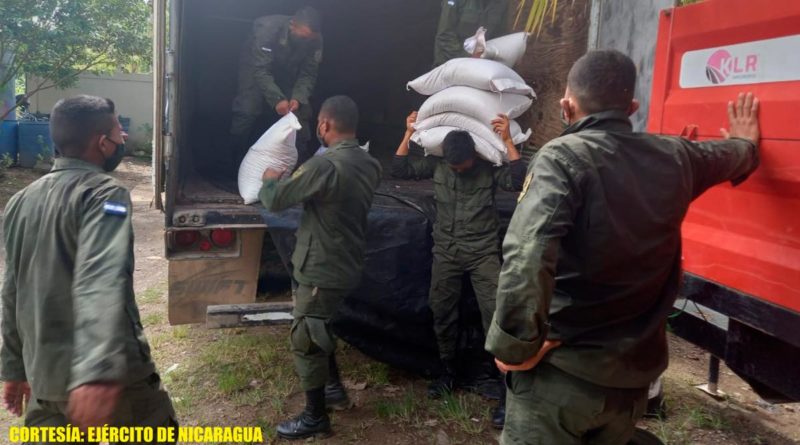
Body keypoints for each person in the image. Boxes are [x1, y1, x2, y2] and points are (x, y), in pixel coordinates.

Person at [486, 49, 760, 444]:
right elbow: (732, 155)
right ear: (631, 106)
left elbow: (528, 251)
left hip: (563, 378)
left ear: (566, 105)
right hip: (631, 382)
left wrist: (515, 344)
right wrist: (747, 144)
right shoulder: (677, 156)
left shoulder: (561, 158)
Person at [1, 95, 176, 439]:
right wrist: (96, 372)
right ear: (102, 142)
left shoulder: (20, 201)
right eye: (118, 130)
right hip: (110, 389)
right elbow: (101, 277)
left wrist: (13, 367)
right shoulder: (105, 195)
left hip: (45, 383)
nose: (123, 137)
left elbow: (11, 288)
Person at [391, 112, 526, 428]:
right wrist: (408, 132)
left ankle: (498, 379)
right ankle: (448, 371)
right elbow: (399, 169)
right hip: (447, 252)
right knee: (442, 310)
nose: (457, 170)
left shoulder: (488, 171)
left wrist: (506, 140)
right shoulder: (440, 166)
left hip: (482, 253)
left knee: (495, 314)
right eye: (454, 167)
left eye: (462, 166)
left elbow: (518, 178)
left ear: (473, 157)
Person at [259, 95, 382, 440]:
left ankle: (315, 417)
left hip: (321, 266)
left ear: (325, 125)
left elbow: (275, 200)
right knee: (319, 326)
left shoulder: (324, 166)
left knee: (306, 339)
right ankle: (333, 390)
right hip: (346, 260)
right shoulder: (369, 162)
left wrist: (270, 178)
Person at [230, 6, 323, 168]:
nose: (307, 41)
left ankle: (301, 164)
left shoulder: (315, 39)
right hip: (256, 65)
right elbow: (261, 70)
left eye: (310, 38)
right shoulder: (268, 30)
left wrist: (297, 98)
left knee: (299, 112)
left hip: (287, 67)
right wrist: (277, 99)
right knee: (247, 109)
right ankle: (235, 158)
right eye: (304, 37)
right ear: (292, 25)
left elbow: (308, 74)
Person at [433, 0, 513, 67]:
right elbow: (445, 36)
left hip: (480, 66)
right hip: (448, 63)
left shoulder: (501, 3)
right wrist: (469, 58)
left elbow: (500, 38)